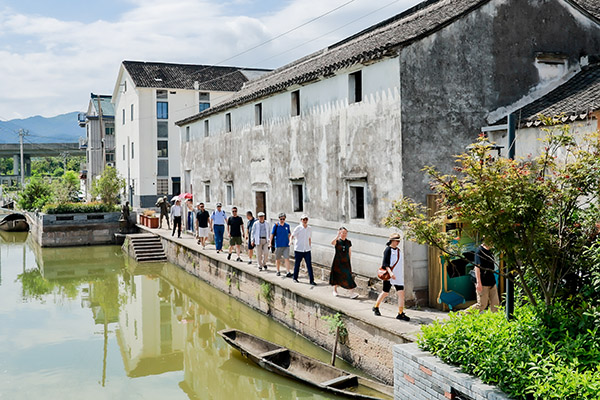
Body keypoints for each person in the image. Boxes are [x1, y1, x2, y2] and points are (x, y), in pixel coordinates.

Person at [372, 233, 410, 321]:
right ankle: (376, 306)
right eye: (396, 241)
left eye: (398, 241)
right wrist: (391, 273)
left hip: (398, 276)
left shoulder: (398, 250)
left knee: (401, 294)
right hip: (389, 276)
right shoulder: (388, 250)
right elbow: (385, 264)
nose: (398, 243)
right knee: (385, 292)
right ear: (392, 241)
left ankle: (400, 313)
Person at [469, 239, 500, 313]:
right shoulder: (479, 251)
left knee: (495, 304)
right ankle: (463, 314)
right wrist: (478, 283)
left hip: (491, 280)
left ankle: (496, 321)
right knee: (482, 305)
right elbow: (477, 267)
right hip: (483, 281)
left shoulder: (490, 251)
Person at [329, 227, 358, 298]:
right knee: (336, 275)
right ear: (340, 233)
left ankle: (351, 293)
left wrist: (349, 260)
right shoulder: (337, 241)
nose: (344, 234)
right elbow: (332, 243)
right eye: (342, 233)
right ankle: (335, 290)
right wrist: (337, 236)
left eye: (345, 233)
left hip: (346, 262)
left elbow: (349, 252)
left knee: (348, 276)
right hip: (337, 261)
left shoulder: (348, 242)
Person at [290, 214, 316, 285]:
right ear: (301, 220)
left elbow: (309, 238)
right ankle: (295, 278)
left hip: (307, 249)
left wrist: (310, 247)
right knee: (297, 264)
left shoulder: (309, 228)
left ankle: (311, 280)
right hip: (299, 249)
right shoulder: (298, 228)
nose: (305, 221)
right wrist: (290, 241)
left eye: (306, 219)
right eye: (303, 219)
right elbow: (292, 236)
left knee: (309, 265)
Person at [270, 213, 292, 277]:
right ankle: (278, 270)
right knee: (278, 258)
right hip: (278, 245)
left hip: (286, 244)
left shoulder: (287, 225)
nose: (282, 220)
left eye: (283, 219)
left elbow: (289, 234)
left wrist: (290, 241)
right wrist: (270, 243)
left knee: (287, 258)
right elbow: (272, 234)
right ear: (279, 219)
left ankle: (288, 271)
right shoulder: (276, 226)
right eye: (281, 219)